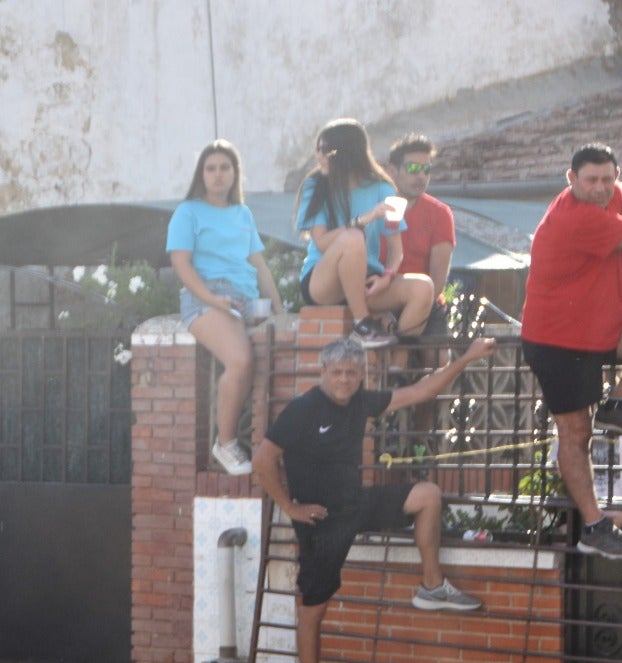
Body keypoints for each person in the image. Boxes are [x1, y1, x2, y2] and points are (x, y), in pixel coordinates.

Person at [252, 336, 497, 663]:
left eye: (352, 372)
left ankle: (432, 586)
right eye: (337, 373)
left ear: (361, 374)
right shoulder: (302, 409)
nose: (345, 380)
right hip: (320, 520)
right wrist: (290, 507)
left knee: (428, 495)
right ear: (324, 373)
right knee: (313, 609)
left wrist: (465, 358)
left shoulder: (363, 400)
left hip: (356, 504)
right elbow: (264, 459)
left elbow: (421, 390)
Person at [520, 143, 622, 560]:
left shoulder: (613, 193)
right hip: (558, 342)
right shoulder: (577, 217)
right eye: (591, 180)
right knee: (576, 434)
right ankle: (594, 526)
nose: (601, 188)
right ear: (571, 180)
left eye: (608, 178)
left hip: (600, 328)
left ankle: (620, 402)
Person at [166, 139, 285, 476]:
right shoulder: (187, 212)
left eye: (225, 168)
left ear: (235, 174)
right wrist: (210, 299)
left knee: (281, 352)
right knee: (240, 359)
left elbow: (259, 264)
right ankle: (226, 441)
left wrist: (278, 308)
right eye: (210, 168)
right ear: (201, 175)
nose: (218, 175)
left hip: (246, 298)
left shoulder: (242, 213)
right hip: (209, 296)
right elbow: (181, 264)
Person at [294, 118, 435, 349]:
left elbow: (396, 250)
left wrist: (387, 277)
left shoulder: (382, 188)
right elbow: (320, 243)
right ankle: (362, 324)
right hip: (324, 281)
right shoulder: (315, 185)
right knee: (352, 237)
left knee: (423, 287)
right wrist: (364, 219)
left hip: (366, 281)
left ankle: (396, 364)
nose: (318, 156)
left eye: (324, 150)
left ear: (345, 153)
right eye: (317, 149)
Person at [387, 133, 456, 336]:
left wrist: (414, 314)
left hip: (425, 301)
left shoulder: (440, 214)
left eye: (426, 170)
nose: (421, 176)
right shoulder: (378, 209)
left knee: (438, 358)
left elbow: (437, 281)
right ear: (392, 171)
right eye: (413, 168)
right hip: (381, 300)